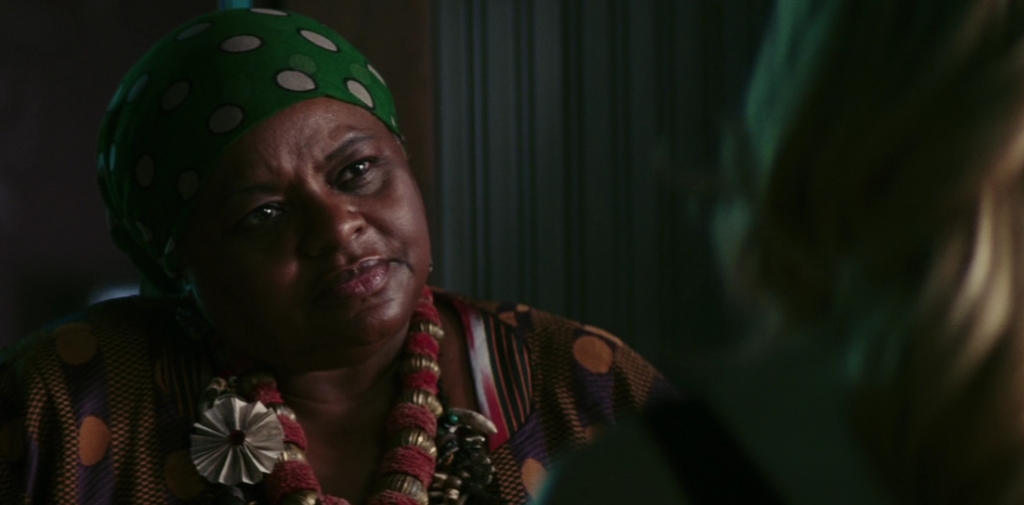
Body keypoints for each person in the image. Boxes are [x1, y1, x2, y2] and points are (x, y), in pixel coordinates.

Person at [0, 8, 671, 505]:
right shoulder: (61, 405)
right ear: (181, 265)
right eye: (264, 214)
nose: (338, 225)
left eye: (356, 172)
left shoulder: (582, 386)